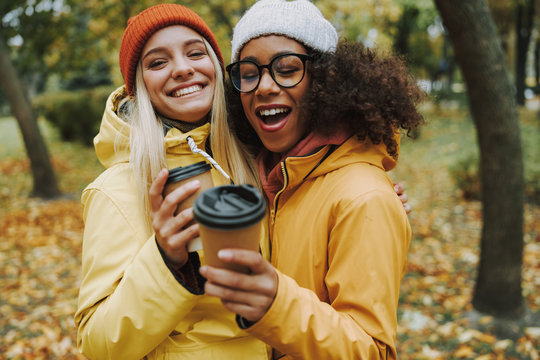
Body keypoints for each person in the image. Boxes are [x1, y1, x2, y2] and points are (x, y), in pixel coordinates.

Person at [200, 0, 425, 359]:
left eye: (287, 69)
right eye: (248, 72)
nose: (264, 86)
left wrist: (274, 303)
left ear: (326, 80)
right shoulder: (264, 178)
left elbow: (371, 350)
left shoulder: (363, 198)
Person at [73, 4, 271, 359]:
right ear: (139, 86)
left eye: (196, 53)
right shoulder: (116, 189)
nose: (183, 69)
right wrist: (164, 260)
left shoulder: (255, 157)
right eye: (158, 63)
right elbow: (96, 343)